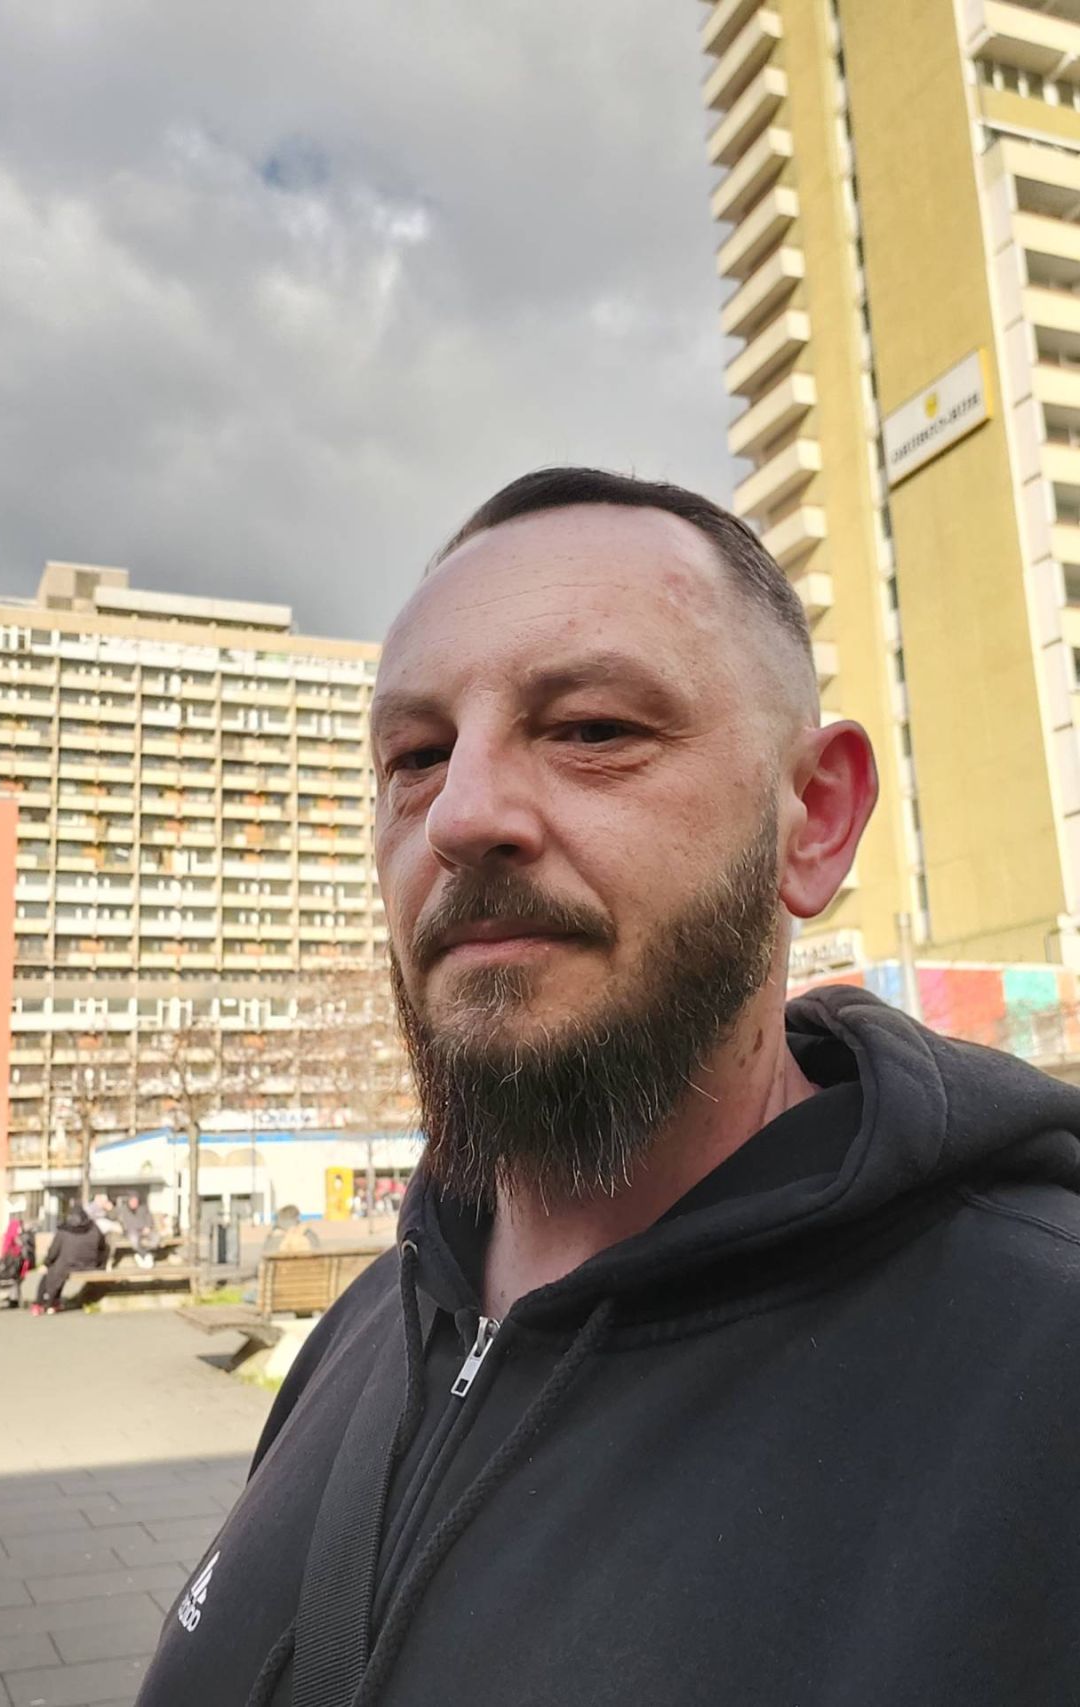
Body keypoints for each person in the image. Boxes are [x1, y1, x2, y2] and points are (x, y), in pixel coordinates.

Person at [137, 468, 1080, 1707]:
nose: (460, 815)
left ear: (812, 817)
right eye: (415, 756)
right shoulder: (370, 1325)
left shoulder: (1039, 1375)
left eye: (590, 730)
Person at [30, 1203, 107, 1315]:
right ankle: (53, 1303)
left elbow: (53, 1251)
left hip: (67, 1266)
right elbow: (102, 1247)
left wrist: (46, 1263)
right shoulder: (94, 1228)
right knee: (58, 1271)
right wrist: (100, 1264)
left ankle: (42, 1303)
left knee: (52, 1272)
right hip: (89, 1265)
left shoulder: (64, 1231)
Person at [117, 1192, 158, 1269]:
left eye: (136, 1201)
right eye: (132, 1201)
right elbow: (115, 1217)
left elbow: (149, 1218)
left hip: (144, 1229)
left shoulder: (143, 1208)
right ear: (129, 1201)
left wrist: (148, 1227)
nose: (134, 1203)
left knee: (156, 1238)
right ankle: (145, 1255)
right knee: (134, 1240)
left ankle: (144, 1253)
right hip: (131, 1231)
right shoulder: (122, 1209)